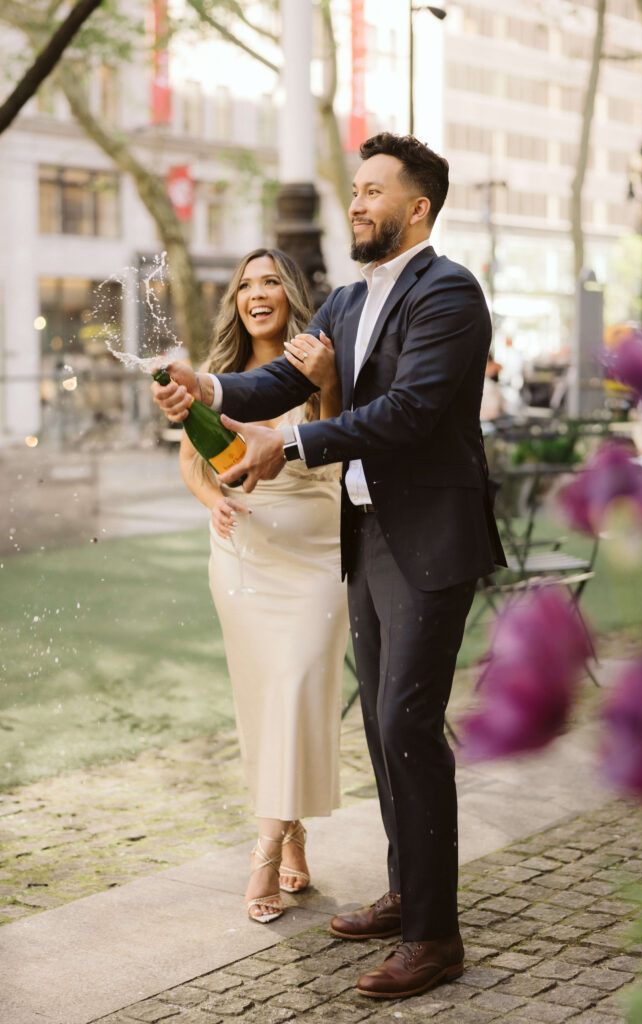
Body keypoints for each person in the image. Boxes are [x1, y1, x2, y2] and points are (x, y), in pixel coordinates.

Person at [152, 133, 506, 1000]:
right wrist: (204, 391)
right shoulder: (346, 301)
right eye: (352, 190)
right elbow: (269, 386)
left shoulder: (448, 292)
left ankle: (435, 936)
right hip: (365, 539)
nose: (355, 203)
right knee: (385, 735)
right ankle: (406, 891)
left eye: (372, 191)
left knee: (405, 728)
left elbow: (414, 410)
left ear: (415, 208)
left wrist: (297, 442)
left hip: (429, 538)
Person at [176, 248, 349, 925]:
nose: (256, 293)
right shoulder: (216, 380)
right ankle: (291, 831)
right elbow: (192, 465)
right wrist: (209, 502)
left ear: (291, 293)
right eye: (244, 284)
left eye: (270, 280)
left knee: (298, 685)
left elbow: (336, 433)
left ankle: (266, 846)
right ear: (235, 303)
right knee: (265, 700)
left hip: (317, 549)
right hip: (243, 555)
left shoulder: (315, 360)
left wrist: (328, 379)